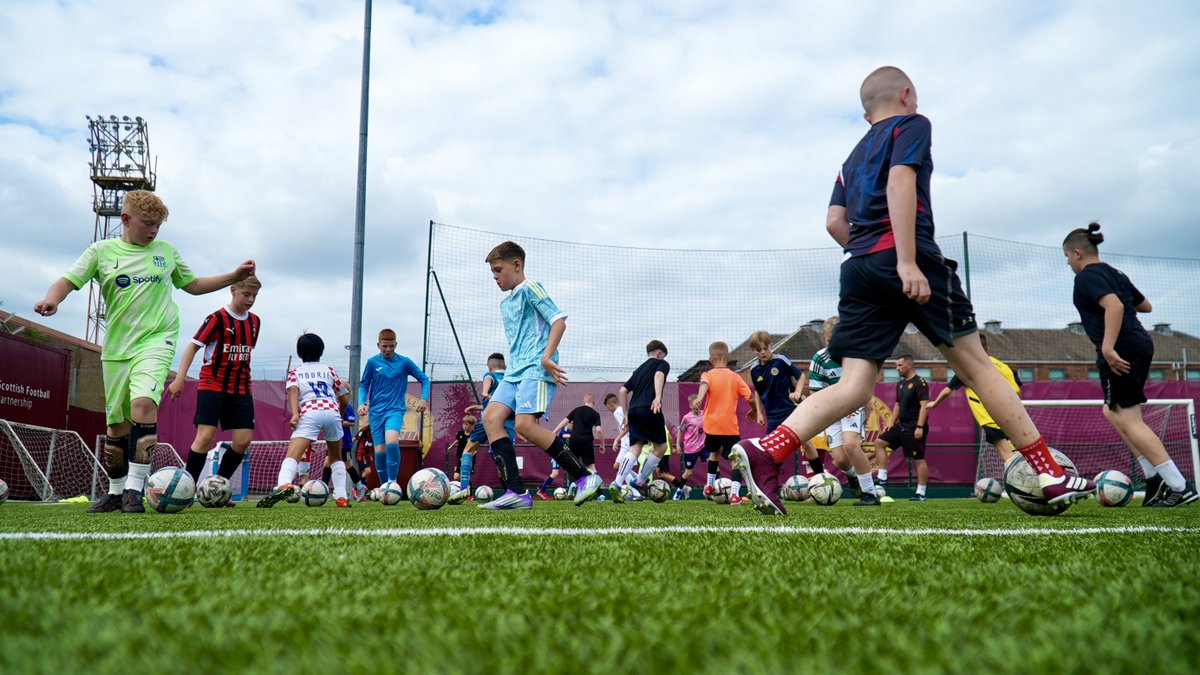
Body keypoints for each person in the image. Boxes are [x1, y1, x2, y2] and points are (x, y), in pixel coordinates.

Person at [730, 66, 1094, 516]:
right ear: (906, 95)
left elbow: (833, 223)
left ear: (866, 116)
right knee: (980, 368)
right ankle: (1049, 472)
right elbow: (901, 180)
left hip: (858, 266)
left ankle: (769, 449)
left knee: (853, 385)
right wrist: (902, 261)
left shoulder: (850, 158)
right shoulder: (912, 125)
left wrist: (869, 256)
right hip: (908, 256)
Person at [34, 190, 255, 513]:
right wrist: (53, 299)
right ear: (125, 220)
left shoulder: (165, 252)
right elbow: (68, 281)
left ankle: (136, 490)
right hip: (116, 349)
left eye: (158, 226)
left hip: (157, 340)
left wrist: (232, 278)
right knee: (116, 425)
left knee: (143, 404)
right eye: (148, 224)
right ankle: (114, 493)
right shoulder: (101, 252)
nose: (154, 231)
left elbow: (192, 285)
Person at [1064, 223, 1197, 506]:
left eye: (1067, 257)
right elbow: (1145, 305)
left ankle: (1179, 486)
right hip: (1139, 343)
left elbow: (1115, 306)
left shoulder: (1087, 277)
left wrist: (1108, 346)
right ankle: (1154, 476)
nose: (1067, 263)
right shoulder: (1116, 273)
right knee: (1112, 412)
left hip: (1122, 348)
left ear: (1077, 253)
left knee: (1128, 418)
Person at [478, 241, 603, 509]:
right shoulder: (505, 303)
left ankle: (585, 478)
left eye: (499, 270)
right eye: (493, 272)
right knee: (490, 417)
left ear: (517, 265)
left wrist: (546, 357)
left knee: (524, 426)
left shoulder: (530, 287)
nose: (496, 277)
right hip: (514, 372)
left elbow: (558, 320)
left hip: (535, 368)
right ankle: (516, 492)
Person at [168, 274, 262, 499]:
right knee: (205, 436)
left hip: (241, 388)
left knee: (243, 440)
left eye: (254, 296)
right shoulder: (216, 318)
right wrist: (180, 378)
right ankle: (185, 491)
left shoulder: (255, 322)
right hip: (213, 384)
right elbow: (193, 346)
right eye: (246, 294)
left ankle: (217, 488)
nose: (250, 300)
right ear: (233, 290)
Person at [260, 333, 352, 508]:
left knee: (293, 455)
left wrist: (295, 413)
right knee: (336, 457)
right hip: (332, 411)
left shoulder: (296, 372)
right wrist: (338, 415)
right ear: (321, 352)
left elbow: (293, 390)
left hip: (311, 412)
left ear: (299, 353)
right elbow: (345, 399)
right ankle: (342, 497)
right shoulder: (329, 370)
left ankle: (284, 483)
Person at [806, 316, 880, 505]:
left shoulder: (856, 355)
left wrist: (863, 405)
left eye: (836, 339)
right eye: (829, 339)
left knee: (851, 445)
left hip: (853, 406)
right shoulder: (819, 359)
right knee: (840, 460)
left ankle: (870, 494)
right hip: (832, 410)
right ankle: (854, 476)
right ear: (825, 336)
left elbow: (865, 384)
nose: (832, 343)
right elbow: (816, 392)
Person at [926, 333, 1020, 465]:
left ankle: (1021, 483)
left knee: (1008, 459)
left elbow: (947, 390)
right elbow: (1016, 388)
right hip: (1015, 418)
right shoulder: (1005, 367)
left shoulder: (970, 368)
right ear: (988, 349)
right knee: (1016, 453)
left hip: (991, 419)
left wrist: (935, 403)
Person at [358, 329, 431, 490]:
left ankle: (392, 482)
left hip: (395, 410)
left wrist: (423, 399)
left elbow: (424, 379)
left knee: (392, 441)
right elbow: (364, 384)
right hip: (376, 412)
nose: (388, 350)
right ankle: (385, 486)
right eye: (385, 346)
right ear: (378, 345)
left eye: (391, 346)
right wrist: (362, 402)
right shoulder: (372, 363)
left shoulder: (404, 362)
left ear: (396, 344)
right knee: (379, 449)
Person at [751, 330, 825, 477]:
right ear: (754, 351)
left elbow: (801, 376)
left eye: (766, 348)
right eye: (759, 350)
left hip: (791, 411)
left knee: (807, 443)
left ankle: (820, 478)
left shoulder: (781, 361)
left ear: (770, 346)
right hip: (772, 417)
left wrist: (797, 392)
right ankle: (771, 484)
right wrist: (759, 412)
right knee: (770, 451)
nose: (763, 352)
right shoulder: (754, 370)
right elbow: (758, 392)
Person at [695, 341, 761, 505]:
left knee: (714, 453)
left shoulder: (707, 374)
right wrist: (754, 410)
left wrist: (700, 398)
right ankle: (734, 495)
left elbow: (704, 385)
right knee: (735, 460)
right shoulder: (735, 377)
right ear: (729, 358)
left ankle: (709, 486)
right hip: (729, 427)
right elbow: (751, 398)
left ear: (711, 359)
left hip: (711, 425)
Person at [453, 353, 517, 502]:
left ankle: (464, 488)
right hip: (508, 422)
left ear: (490, 366)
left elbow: (486, 389)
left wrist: (485, 392)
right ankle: (512, 493)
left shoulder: (490, 375)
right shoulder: (511, 379)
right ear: (504, 365)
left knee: (468, 450)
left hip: (489, 420)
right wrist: (477, 407)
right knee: (502, 460)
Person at [616, 340, 672, 501]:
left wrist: (626, 414)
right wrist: (658, 398)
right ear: (660, 354)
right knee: (661, 446)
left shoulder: (639, 370)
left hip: (633, 410)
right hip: (650, 408)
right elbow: (659, 375)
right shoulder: (662, 364)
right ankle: (640, 480)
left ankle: (617, 483)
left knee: (635, 447)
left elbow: (622, 391)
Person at [871, 355, 930, 501]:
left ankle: (921, 493)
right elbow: (897, 405)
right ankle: (883, 478)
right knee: (879, 443)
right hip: (901, 426)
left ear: (909, 365)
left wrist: (920, 427)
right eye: (896, 365)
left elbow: (924, 407)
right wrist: (891, 422)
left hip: (914, 427)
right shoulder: (901, 384)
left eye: (900, 365)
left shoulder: (920, 382)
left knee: (919, 459)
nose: (897, 368)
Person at [551, 392, 606, 490]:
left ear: (584, 401)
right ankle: (599, 492)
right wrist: (602, 443)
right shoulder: (595, 414)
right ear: (593, 402)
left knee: (573, 464)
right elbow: (598, 430)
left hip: (574, 440)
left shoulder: (577, 410)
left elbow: (565, 421)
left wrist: (554, 431)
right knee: (591, 467)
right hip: (587, 441)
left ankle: (573, 485)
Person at [321, 403, 366, 499]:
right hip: (332, 440)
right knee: (327, 463)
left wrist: (339, 422)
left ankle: (360, 487)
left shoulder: (347, 406)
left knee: (347, 464)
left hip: (345, 441)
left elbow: (352, 422)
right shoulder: (330, 405)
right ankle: (322, 491)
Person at [605, 393, 640, 498]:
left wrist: (617, 439)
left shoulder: (617, 412)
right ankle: (639, 478)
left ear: (611, 404)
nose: (608, 410)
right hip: (630, 441)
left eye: (607, 407)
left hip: (626, 443)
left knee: (618, 466)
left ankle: (635, 492)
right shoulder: (623, 410)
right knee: (624, 467)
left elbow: (626, 428)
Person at [673, 395, 707, 500]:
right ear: (690, 405)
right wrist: (678, 445)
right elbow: (680, 431)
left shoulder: (704, 414)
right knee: (688, 473)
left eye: (698, 404)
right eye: (694, 405)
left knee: (713, 461)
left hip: (703, 445)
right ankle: (680, 490)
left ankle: (717, 487)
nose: (697, 407)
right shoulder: (687, 418)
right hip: (690, 448)